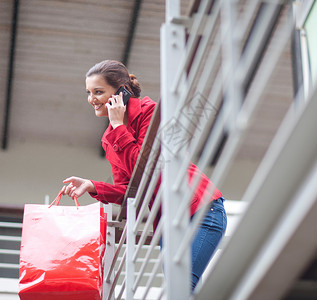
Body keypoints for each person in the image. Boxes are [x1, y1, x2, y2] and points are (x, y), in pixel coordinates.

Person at [60, 60, 227, 291]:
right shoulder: (109, 139)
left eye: (99, 92)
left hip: (200, 208)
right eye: (89, 92)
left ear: (122, 92)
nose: (92, 99)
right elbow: (131, 189)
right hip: (169, 222)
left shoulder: (153, 113)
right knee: (177, 290)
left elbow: (145, 165)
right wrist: (92, 186)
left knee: (182, 286)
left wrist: (119, 126)